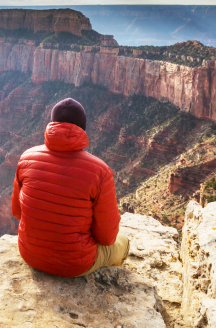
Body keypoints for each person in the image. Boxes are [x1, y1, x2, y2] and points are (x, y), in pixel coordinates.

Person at [11, 97, 129, 277]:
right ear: (83, 128)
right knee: (123, 242)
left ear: (52, 123)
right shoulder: (101, 172)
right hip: (75, 265)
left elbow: (17, 212)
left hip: (30, 254)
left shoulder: (26, 158)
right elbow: (106, 238)